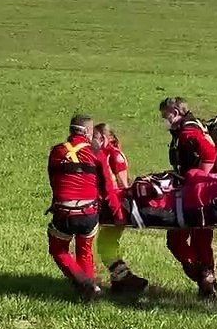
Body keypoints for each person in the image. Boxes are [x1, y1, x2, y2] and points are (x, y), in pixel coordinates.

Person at [46, 113, 121, 300]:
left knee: (58, 249)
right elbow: (108, 188)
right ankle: (89, 288)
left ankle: (84, 284)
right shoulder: (96, 153)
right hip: (88, 213)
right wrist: (117, 213)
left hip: (64, 212)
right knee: (85, 251)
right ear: (88, 132)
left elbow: (54, 181)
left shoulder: (57, 151)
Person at [159, 96, 217, 297]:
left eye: (165, 115)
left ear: (175, 113)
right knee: (201, 240)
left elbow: (210, 153)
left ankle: (203, 278)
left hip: (196, 195)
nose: (164, 119)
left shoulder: (188, 132)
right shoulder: (191, 127)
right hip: (205, 194)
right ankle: (207, 282)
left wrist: (198, 180)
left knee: (176, 240)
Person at [92, 123, 149, 295]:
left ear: (103, 138)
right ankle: (119, 282)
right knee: (107, 244)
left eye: (94, 137)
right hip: (110, 205)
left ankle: (129, 280)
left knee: (105, 245)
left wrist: (118, 208)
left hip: (116, 206)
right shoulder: (105, 153)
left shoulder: (115, 155)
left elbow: (124, 185)